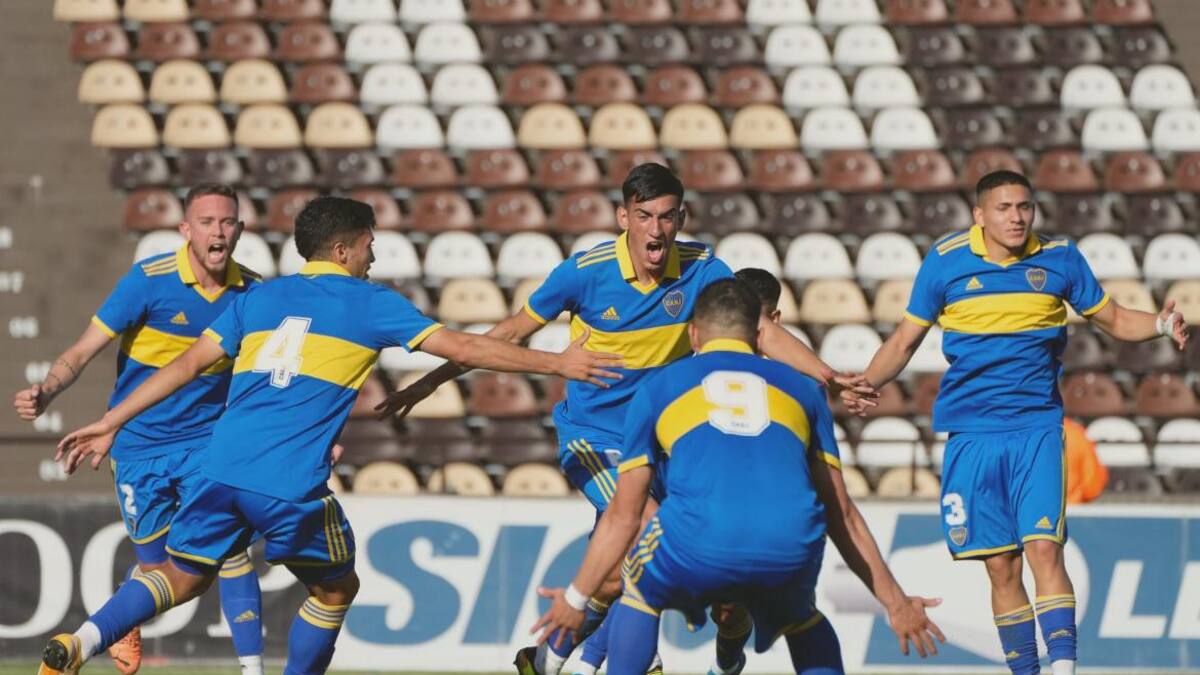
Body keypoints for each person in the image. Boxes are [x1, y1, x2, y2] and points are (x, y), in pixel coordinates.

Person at [41, 196, 622, 675]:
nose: (375, 254)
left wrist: (111, 420)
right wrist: (556, 365)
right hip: (287, 485)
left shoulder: (259, 297)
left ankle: (82, 642)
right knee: (336, 590)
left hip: (219, 469)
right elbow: (467, 346)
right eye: (369, 244)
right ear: (343, 250)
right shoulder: (370, 303)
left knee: (179, 575)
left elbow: (187, 365)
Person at [376, 164, 875, 675]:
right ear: (623, 217)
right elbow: (511, 330)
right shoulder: (585, 272)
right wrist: (435, 380)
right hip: (595, 438)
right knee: (650, 531)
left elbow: (760, 331)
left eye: (666, 217)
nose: (656, 230)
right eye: (644, 217)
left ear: (680, 217)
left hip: (659, 446)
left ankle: (551, 660)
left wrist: (827, 375)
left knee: (617, 574)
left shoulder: (704, 269)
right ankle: (632, 658)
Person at [860, 170, 1190, 675]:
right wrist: (864, 382)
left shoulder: (1059, 258)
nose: (1016, 217)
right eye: (1004, 208)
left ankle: (1064, 669)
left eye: (1024, 207)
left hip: (1035, 430)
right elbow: (904, 341)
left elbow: (1116, 319)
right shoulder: (945, 262)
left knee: (1043, 548)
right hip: (971, 435)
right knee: (1000, 566)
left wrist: (1162, 324)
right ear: (979, 215)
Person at [532, 278, 944, 675]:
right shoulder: (804, 391)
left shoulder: (661, 386)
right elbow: (843, 513)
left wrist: (576, 597)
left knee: (638, 588)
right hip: (788, 543)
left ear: (693, 334)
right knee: (802, 616)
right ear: (760, 334)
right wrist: (895, 602)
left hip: (697, 540)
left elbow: (625, 515)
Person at [13, 184, 266, 675]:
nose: (219, 231)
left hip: (208, 447)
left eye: (228, 222)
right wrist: (47, 391)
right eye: (208, 222)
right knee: (156, 572)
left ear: (240, 229)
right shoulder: (148, 282)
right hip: (138, 448)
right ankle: (124, 615)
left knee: (232, 551)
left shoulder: (252, 293)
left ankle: (252, 669)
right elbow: (83, 351)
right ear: (185, 230)